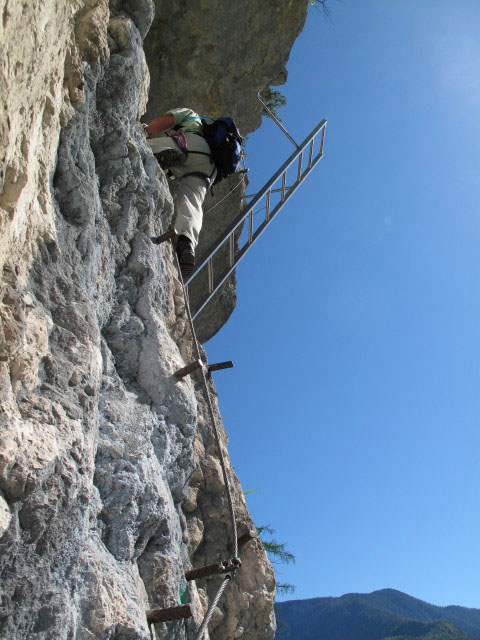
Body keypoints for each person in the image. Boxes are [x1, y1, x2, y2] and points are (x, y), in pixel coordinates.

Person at [145, 108, 217, 279]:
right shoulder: (214, 144)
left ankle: (161, 152)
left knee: (140, 144)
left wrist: (146, 130)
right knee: (192, 202)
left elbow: (167, 120)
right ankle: (186, 242)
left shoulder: (191, 115)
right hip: (209, 170)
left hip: (191, 144)